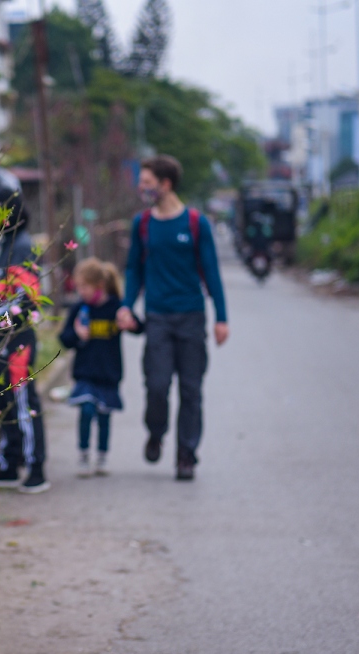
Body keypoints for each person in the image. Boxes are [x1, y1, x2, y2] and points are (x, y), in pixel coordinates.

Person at [115, 155, 228, 481]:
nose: (142, 189)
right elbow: (134, 267)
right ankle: (156, 431)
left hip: (191, 316)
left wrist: (221, 317)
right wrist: (126, 305)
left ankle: (186, 455)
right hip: (158, 318)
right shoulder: (143, 224)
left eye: (147, 183)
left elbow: (212, 272)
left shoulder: (195, 223)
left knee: (191, 390)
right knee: (157, 385)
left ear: (165, 184)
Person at [0, 189, 50, 493]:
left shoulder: (22, 247)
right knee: (3, 401)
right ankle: (9, 464)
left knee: (21, 402)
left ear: (4, 213)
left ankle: (36, 468)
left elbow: (26, 299)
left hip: (16, 339)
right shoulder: (6, 245)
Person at [59, 258, 141, 477]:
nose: (80, 292)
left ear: (99, 286)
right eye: (78, 287)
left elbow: (138, 326)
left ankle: (102, 455)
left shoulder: (116, 308)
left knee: (104, 416)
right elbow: (64, 339)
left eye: (84, 287)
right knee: (86, 410)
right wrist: (76, 334)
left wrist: (130, 323)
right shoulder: (79, 309)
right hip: (85, 374)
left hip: (109, 374)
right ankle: (84, 453)